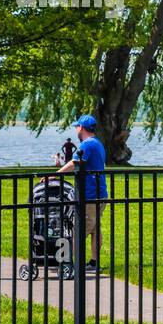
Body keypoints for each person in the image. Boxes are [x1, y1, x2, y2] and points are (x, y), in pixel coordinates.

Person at [56, 115, 108, 272]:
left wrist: (55, 174)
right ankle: (94, 263)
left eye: (77, 127)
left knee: (79, 231)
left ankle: (71, 265)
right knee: (95, 229)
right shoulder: (98, 143)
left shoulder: (88, 144)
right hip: (100, 193)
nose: (76, 129)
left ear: (82, 128)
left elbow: (74, 163)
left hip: (90, 195)